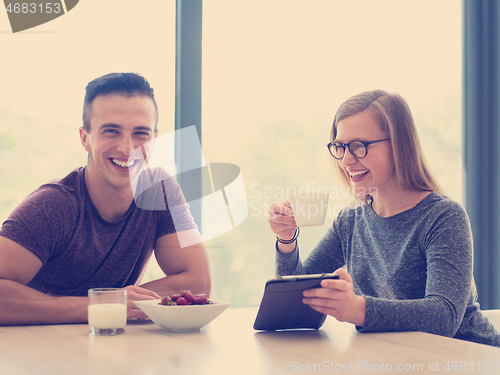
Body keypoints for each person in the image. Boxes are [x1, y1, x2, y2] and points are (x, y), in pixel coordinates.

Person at [268, 90, 500, 346]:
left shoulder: (444, 217)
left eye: (359, 146)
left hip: (470, 359)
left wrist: (358, 309)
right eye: (340, 146)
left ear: (398, 145)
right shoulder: (351, 220)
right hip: (399, 359)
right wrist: (286, 239)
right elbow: (295, 299)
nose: (346, 160)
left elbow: (444, 317)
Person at [0, 72, 211, 325]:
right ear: (85, 138)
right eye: (111, 131)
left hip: (110, 347)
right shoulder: (53, 205)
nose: (127, 148)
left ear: (155, 140)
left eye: (141, 134)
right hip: (40, 350)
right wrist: (105, 304)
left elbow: (198, 283)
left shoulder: (160, 190)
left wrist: (118, 303)